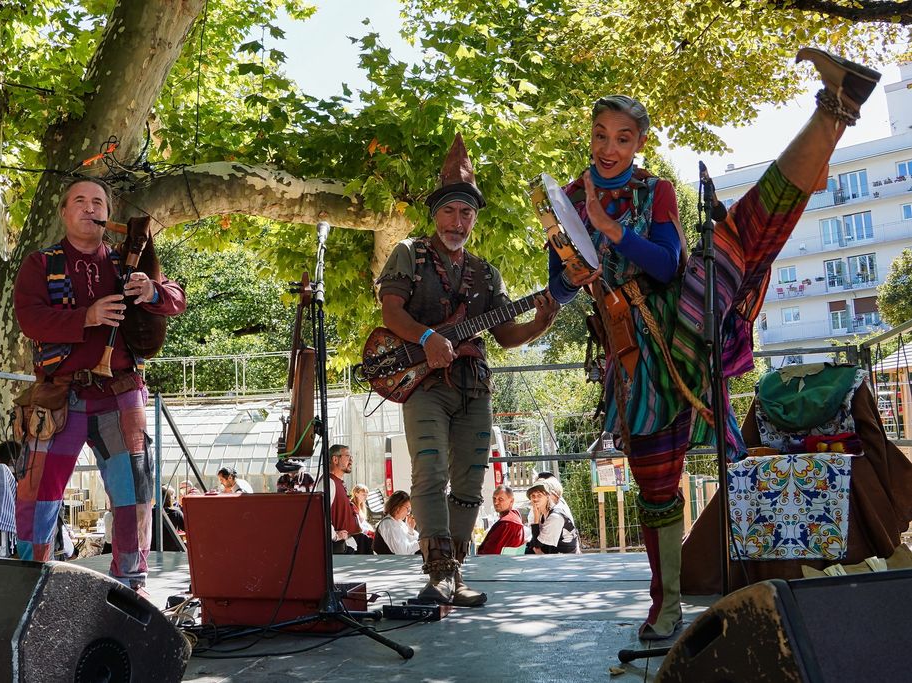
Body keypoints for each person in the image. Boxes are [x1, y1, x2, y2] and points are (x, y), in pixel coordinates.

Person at [547, 49, 881, 639]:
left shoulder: (660, 191)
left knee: (750, 227)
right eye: (601, 134)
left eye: (622, 138)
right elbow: (560, 286)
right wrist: (571, 270)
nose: (608, 147)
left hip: (686, 325)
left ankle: (835, 108)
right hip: (633, 361)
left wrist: (611, 230)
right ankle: (667, 603)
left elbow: (668, 261)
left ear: (637, 145)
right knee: (655, 482)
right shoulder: (566, 199)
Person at [377, 133, 560, 607]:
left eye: (467, 213)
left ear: (475, 218)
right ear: (435, 214)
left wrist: (539, 323)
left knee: (470, 481)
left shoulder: (487, 273)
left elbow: (504, 336)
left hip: (474, 386)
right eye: (450, 211)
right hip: (423, 385)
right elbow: (391, 314)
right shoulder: (409, 254)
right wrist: (427, 338)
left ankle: (454, 573)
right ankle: (436, 572)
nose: (458, 221)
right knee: (430, 472)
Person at [13, 176, 186, 593]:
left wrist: (152, 290)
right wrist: (86, 318)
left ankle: (131, 587)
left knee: (134, 495)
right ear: (64, 212)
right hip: (58, 395)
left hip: (122, 392)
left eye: (98, 202)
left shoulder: (128, 260)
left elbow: (177, 299)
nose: (90, 208)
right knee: (37, 495)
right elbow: (29, 318)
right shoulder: (40, 263)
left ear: (108, 213)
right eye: (80, 201)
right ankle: (29, 586)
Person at [525, 480, 579, 554]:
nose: (535, 499)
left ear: (547, 496)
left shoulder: (555, 516)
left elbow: (537, 545)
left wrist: (536, 520)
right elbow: (535, 542)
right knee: (528, 549)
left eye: (539, 495)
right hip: (553, 550)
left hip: (566, 556)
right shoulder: (540, 512)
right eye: (533, 496)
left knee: (530, 551)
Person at [324, 444, 361, 554]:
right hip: (339, 547)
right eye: (348, 456)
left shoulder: (337, 481)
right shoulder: (329, 482)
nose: (351, 460)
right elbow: (322, 513)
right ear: (335, 459)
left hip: (347, 543)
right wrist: (335, 536)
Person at [477, 484, 525, 555]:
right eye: (494, 499)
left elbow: (491, 553)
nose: (496, 502)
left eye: (500, 499)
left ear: (511, 501)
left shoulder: (507, 523)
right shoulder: (514, 515)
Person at [373, 491, 420, 555]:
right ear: (397, 508)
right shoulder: (388, 525)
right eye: (408, 509)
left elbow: (410, 544)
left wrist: (410, 530)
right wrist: (423, 543)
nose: (408, 513)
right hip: (390, 563)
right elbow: (403, 552)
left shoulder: (398, 522)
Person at [350, 484, 375, 554]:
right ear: (356, 494)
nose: (366, 497)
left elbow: (363, 522)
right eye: (363, 494)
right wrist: (369, 531)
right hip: (358, 535)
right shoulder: (353, 506)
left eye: (367, 495)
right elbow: (358, 524)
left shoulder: (361, 506)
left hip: (363, 531)